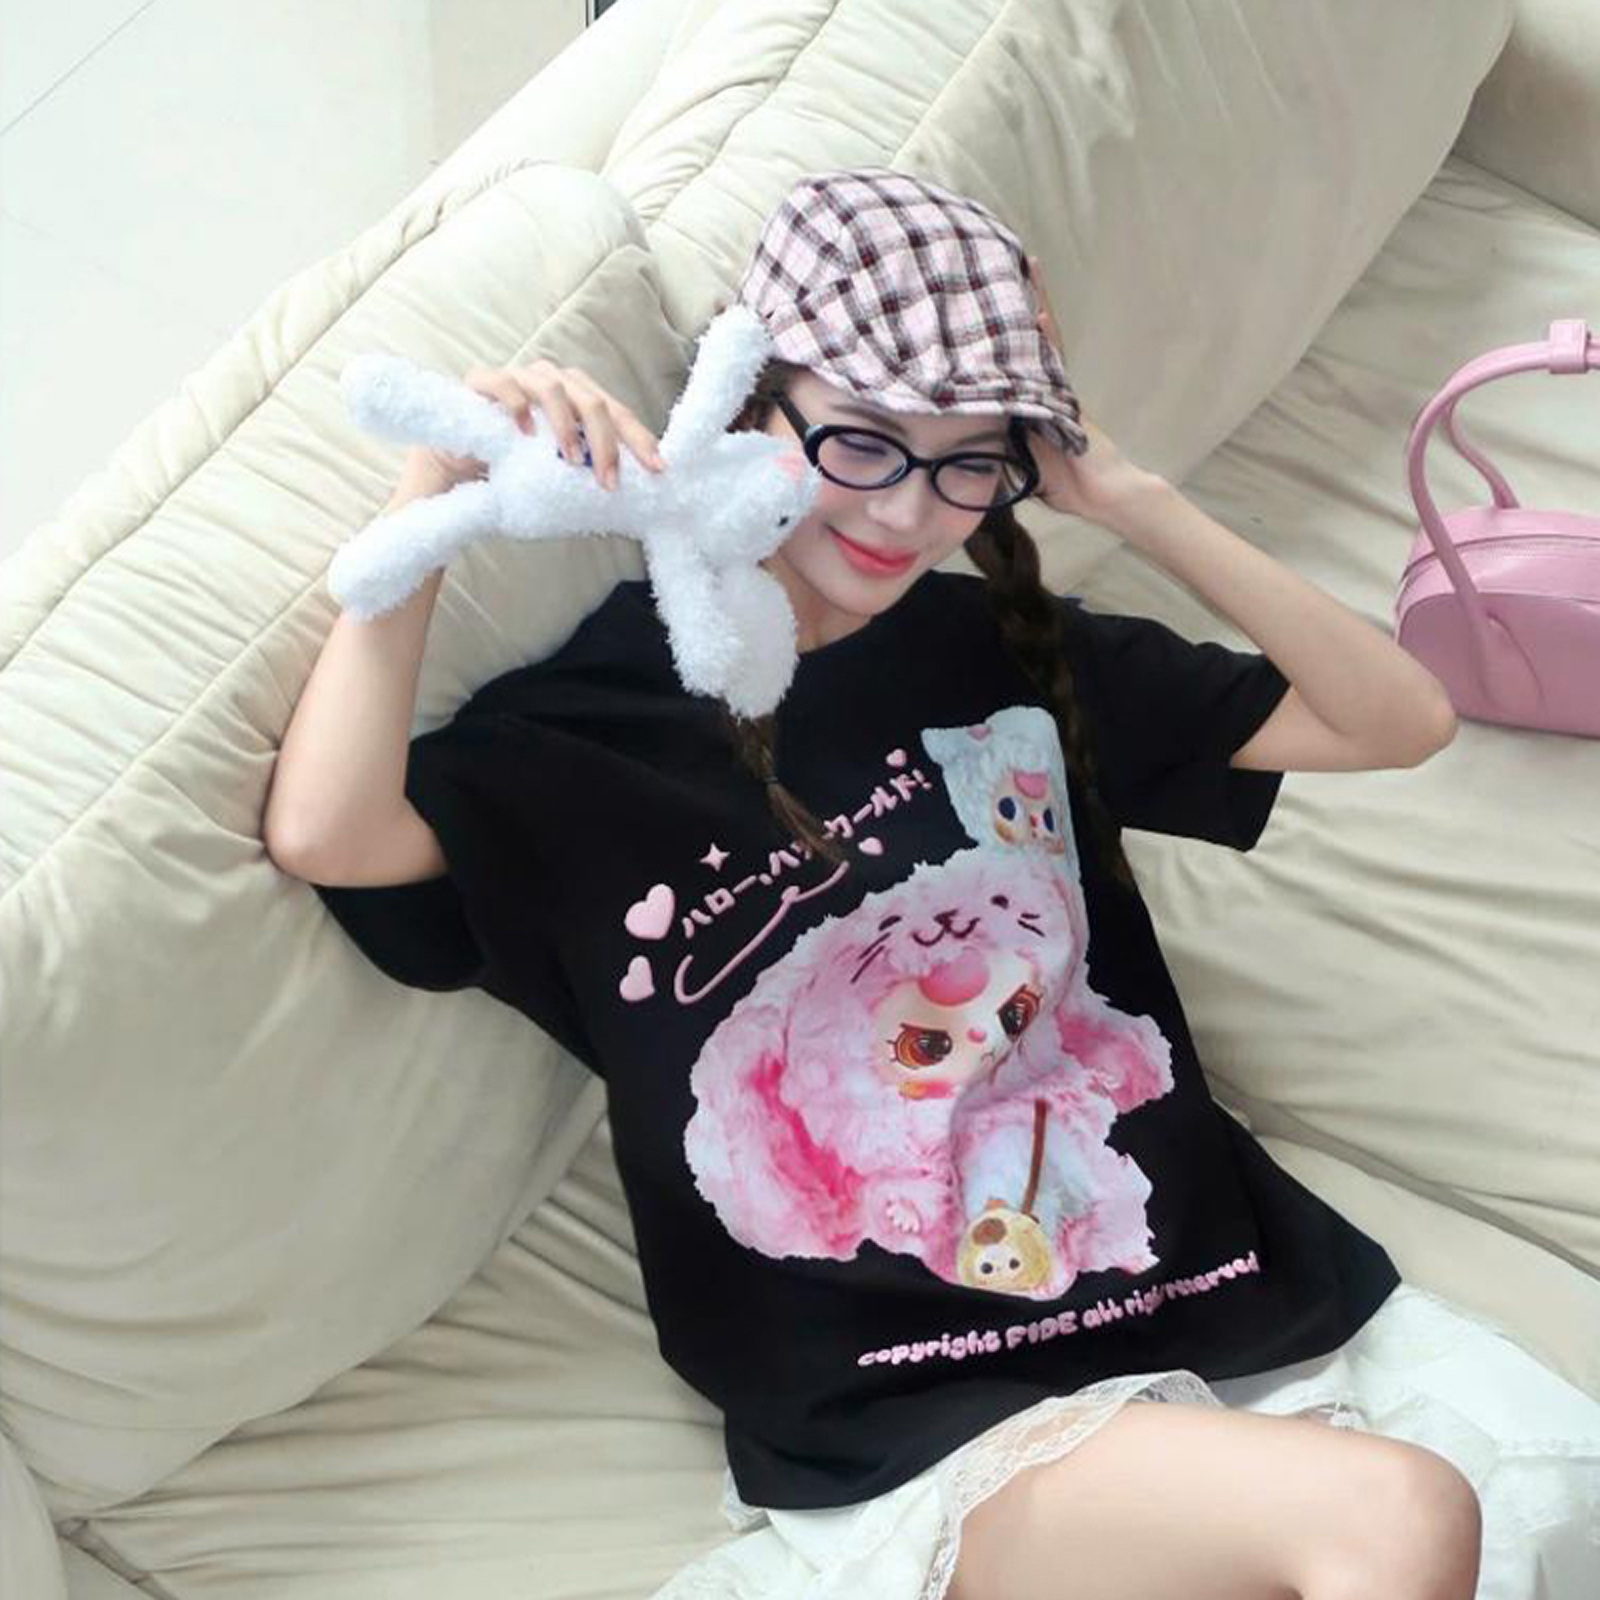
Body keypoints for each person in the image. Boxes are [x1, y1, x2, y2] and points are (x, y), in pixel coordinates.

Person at [263, 168, 1600, 1600]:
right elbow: (330, 835)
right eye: (864, 442)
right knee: (1400, 1516)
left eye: (972, 462)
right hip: (911, 1406)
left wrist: (1130, 497)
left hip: (1227, 1306)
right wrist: (434, 499)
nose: (911, 511)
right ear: (746, 410)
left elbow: (1396, 719)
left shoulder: (998, 648)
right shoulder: (579, 744)